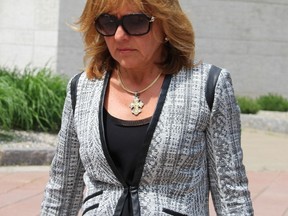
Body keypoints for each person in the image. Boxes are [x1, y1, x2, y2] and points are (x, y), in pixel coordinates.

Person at [41, 0, 254, 215]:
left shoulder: (208, 86)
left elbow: (232, 194)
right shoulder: (82, 88)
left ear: (166, 25)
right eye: (107, 22)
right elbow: (61, 189)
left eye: (135, 22)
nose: (119, 36)